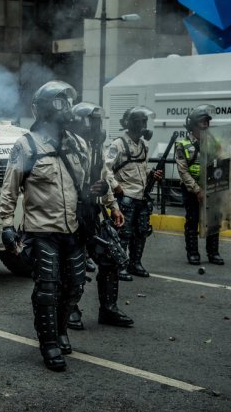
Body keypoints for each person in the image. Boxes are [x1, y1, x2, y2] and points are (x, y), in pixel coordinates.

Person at [0, 81, 89, 371]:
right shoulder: (25, 145)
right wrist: (6, 224)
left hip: (73, 230)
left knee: (74, 286)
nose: (68, 109)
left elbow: (86, 183)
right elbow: (9, 188)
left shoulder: (78, 143)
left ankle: (61, 330)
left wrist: (105, 200)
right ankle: (49, 343)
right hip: (41, 231)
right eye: (62, 103)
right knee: (47, 289)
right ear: (49, 108)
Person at [65, 102, 134, 330]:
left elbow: (104, 176)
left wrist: (113, 206)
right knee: (72, 265)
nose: (97, 125)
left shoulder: (96, 147)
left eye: (99, 121)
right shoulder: (66, 146)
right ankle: (70, 309)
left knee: (111, 259)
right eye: (93, 120)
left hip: (93, 214)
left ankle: (109, 310)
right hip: (71, 214)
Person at [105, 106, 163, 280]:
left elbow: (140, 168)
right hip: (126, 197)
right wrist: (116, 187)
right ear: (129, 124)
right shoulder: (118, 144)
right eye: (139, 121)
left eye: (145, 121)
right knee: (123, 233)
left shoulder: (143, 145)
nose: (143, 125)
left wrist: (151, 174)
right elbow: (105, 169)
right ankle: (120, 265)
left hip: (142, 196)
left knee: (141, 232)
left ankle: (135, 263)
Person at [175, 105, 224, 266]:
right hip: (191, 190)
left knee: (213, 221)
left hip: (211, 188)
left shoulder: (213, 143)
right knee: (192, 220)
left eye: (207, 122)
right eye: (203, 122)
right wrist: (197, 190)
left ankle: (213, 253)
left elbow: (220, 164)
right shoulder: (182, 145)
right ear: (194, 125)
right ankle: (193, 253)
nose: (206, 125)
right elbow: (183, 171)